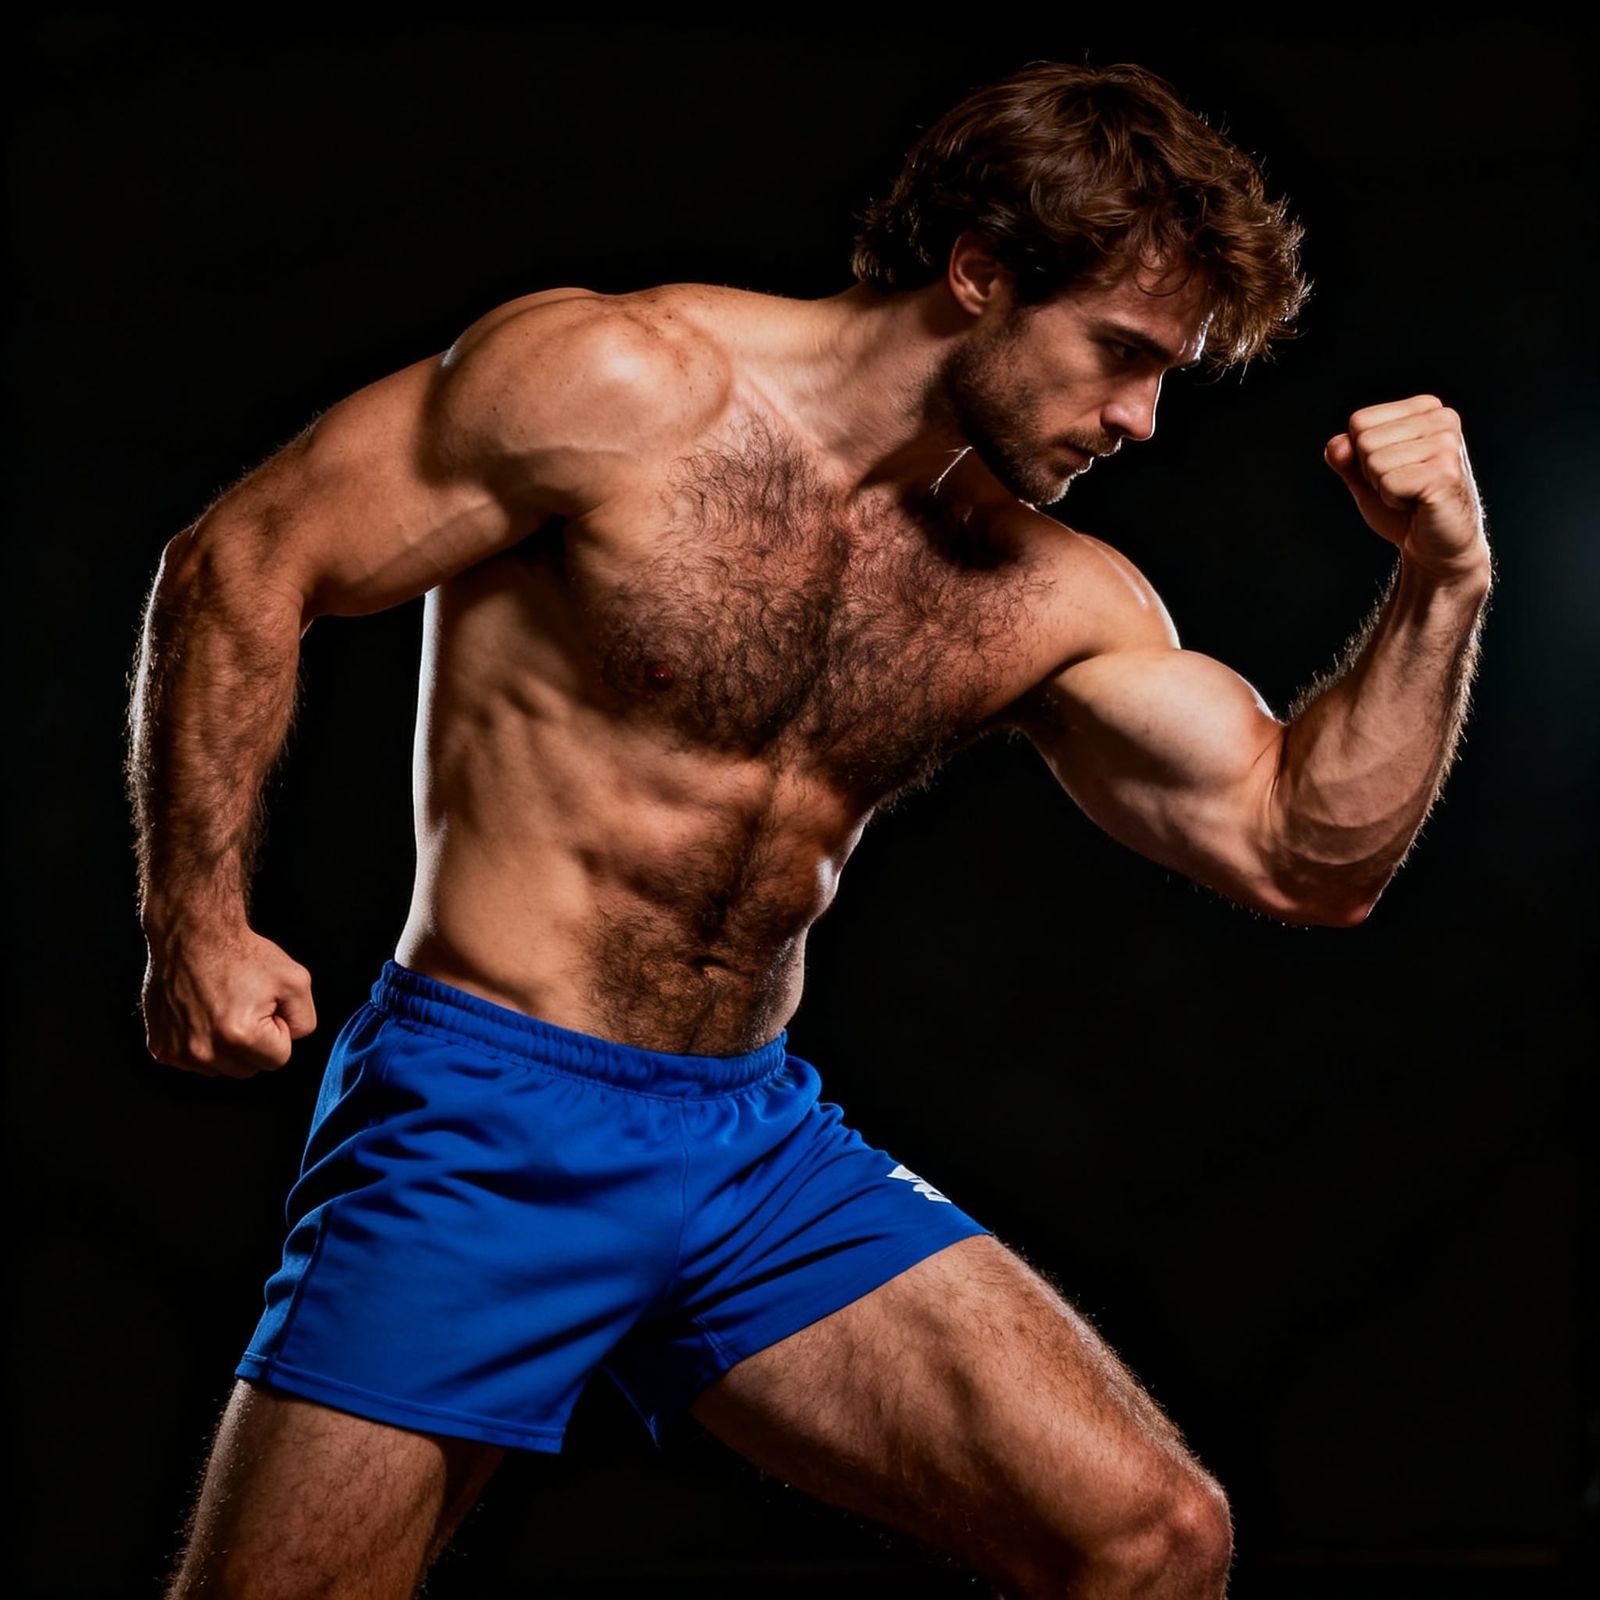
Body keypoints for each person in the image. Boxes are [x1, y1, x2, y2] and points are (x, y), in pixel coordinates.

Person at [126, 57, 1492, 1600]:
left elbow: (1308, 853)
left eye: (1165, 372)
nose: (1141, 417)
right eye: (1119, 353)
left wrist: (1443, 581)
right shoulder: (617, 386)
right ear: (978, 272)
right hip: (491, 1116)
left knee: (1156, 1541)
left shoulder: (1045, 588)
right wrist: (198, 923)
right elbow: (242, 557)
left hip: (747, 1147)